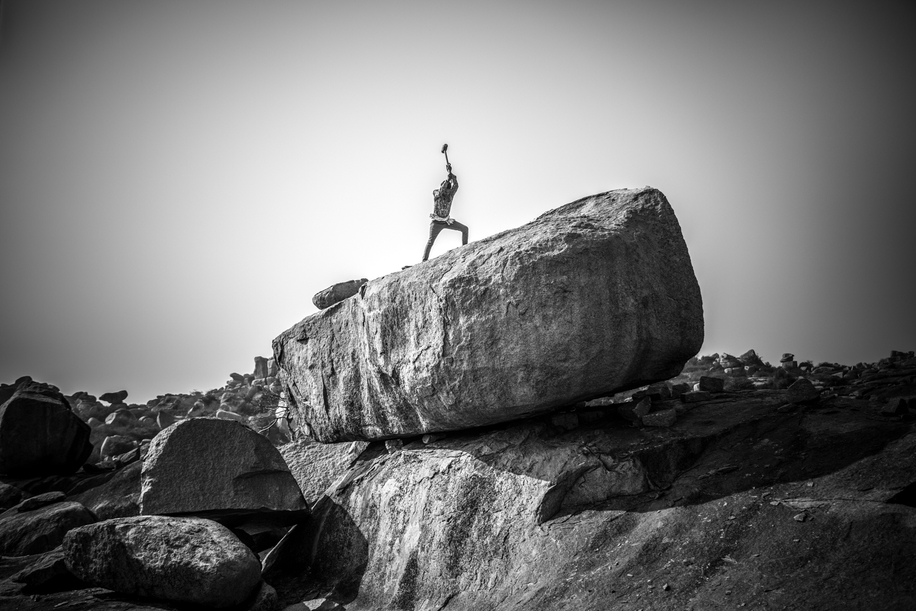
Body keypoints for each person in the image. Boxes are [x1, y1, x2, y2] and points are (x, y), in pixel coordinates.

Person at [422, 163, 468, 261]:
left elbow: (456, 186)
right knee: (430, 241)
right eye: (445, 187)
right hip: (436, 223)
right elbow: (442, 189)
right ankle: (424, 260)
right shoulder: (437, 194)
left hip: (447, 221)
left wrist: (452, 176)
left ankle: (465, 249)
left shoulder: (450, 195)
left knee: (465, 229)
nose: (447, 190)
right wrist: (448, 179)